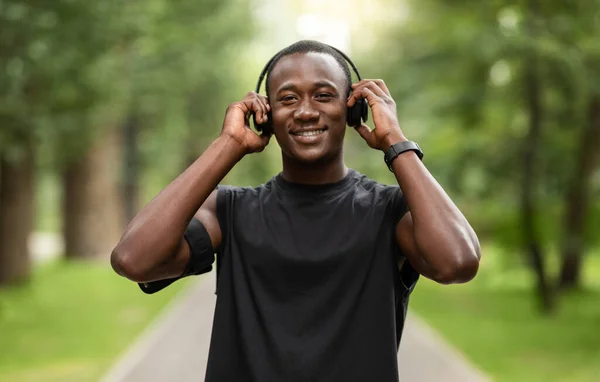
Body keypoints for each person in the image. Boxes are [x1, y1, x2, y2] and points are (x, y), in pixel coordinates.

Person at [111, 40, 481, 382]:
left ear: (353, 110)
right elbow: (133, 259)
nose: (305, 111)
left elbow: (458, 262)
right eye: (288, 99)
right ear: (265, 115)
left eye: (323, 95)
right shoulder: (229, 211)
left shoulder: (391, 211)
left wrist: (396, 142)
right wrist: (229, 144)